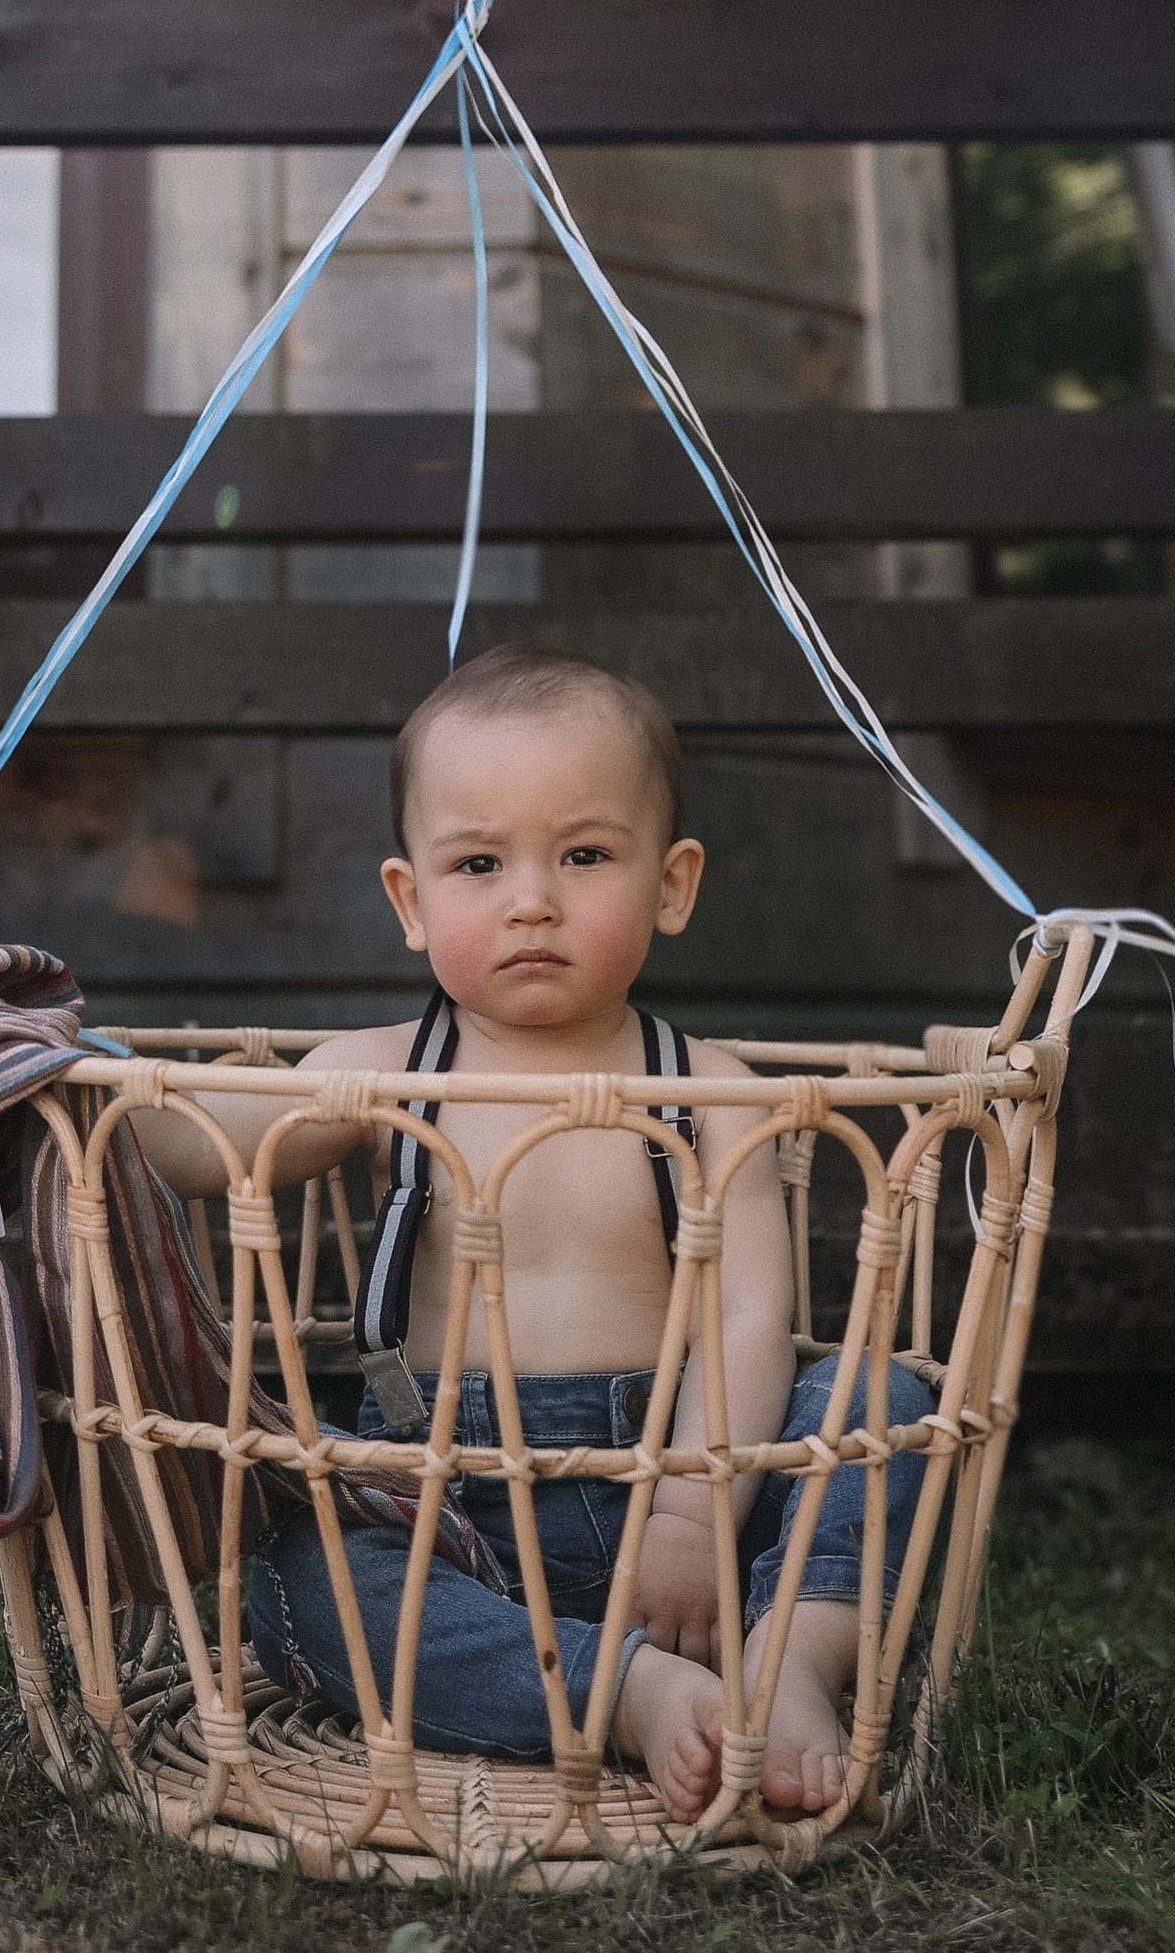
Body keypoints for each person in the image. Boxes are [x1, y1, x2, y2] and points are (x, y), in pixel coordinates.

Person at [127, 645, 935, 1823]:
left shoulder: (711, 1092)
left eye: (585, 854)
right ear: (411, 901)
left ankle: (786, 1659)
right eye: (479, 862)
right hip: (447, 1506)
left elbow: (748, 1316)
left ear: (672, 882)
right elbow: (211, 1146)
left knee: (877, 1400)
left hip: (683, 1472)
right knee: (304, 1580)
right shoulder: (385, 1070)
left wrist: (689, 1512)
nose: (532, 899)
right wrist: (72, 1087)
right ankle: (624, 1690)